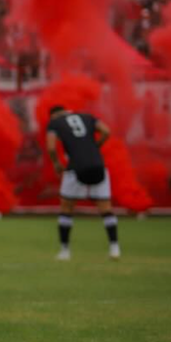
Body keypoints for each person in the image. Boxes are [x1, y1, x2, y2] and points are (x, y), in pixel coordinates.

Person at [46, 106, 119, 261]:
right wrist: (96, 146)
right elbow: (106, 131)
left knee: (66, 207)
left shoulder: (54, 122)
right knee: (105, 208)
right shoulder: (87, 116)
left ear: (53, 116)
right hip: (98, 165)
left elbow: (51, 147)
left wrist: (56, 163)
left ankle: (65, 251)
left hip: (74, 168)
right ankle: (114, 247)